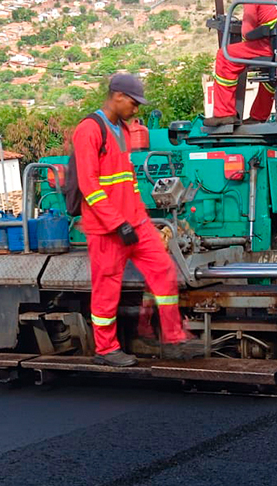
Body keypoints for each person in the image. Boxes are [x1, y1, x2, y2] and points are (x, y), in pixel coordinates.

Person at [73, 73, 200, 367]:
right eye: (133, 102)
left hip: (136, 223)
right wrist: (117, 223)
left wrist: (139, 220)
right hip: (107, 229)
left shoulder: (125, 130)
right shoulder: (89, 130)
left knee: (164, 270)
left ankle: (173, 338)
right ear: (117, 96)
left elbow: (127, 181)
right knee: (107, 287)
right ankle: (106, 349)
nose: (136, 109)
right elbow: (89, 186)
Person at [206, 2, 277, 127]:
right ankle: (259, 116)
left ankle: (224, 113)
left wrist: (246, 41)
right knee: (272, 70)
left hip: (268, 44)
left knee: (225, 56)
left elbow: (247, 32)